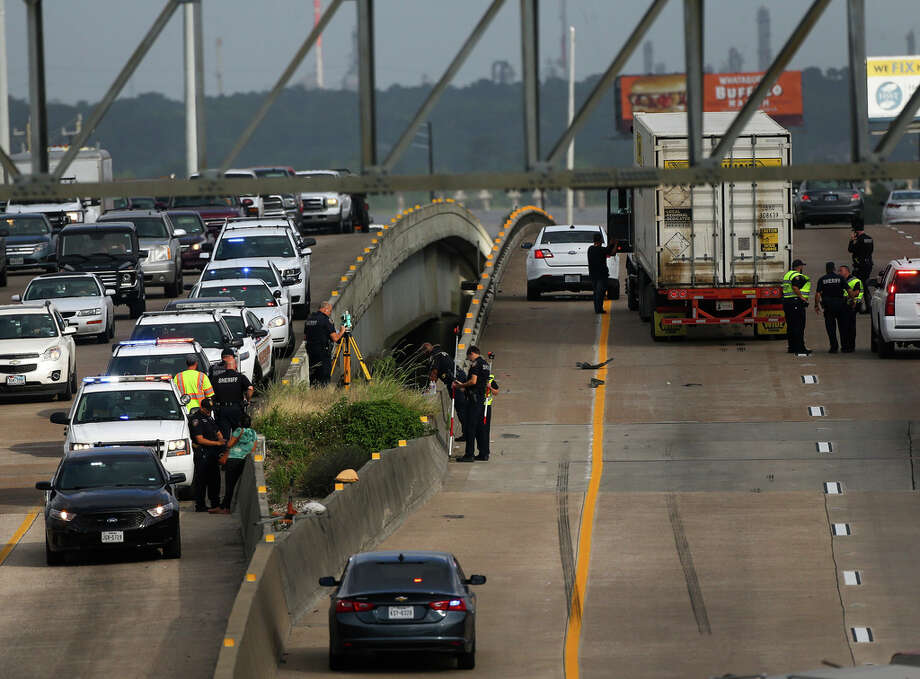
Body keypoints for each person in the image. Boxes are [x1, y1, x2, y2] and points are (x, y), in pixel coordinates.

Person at [212, 413, 258, 514]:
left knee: (230, 485)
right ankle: (223, 506)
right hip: (244, 460)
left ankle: (225, 508)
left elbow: (229, 444)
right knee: (235, 485)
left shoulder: (238, 430)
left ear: (240, 422)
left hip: (233, 460)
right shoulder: (254, 433)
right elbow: (253, 448)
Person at [422, 342, 468, 441]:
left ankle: (468, 434)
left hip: (454, 382)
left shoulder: (434, 357)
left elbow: (434, 373)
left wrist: (430, 388)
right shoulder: (442, 352)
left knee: (461, 409)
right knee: (464, 407)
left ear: (426, 351)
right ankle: (469, 432)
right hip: (461, 377)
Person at [453, 345, 490, 462]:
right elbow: (481, 382)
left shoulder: (475, 364)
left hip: (474, 401)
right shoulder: (486, 364)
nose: (470, 360)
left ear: (472, 354)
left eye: (469, 358)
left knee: (470, 427)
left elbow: (473, 381)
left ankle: (469, 454)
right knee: (481, 427)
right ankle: (483, 453)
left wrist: (460, 385)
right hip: (481, 399)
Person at [189, 398, 225, 512]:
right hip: (202, 453)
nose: (209, 411)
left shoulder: (209, 417)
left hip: (212, 453)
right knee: (201, 480)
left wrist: (222, 441)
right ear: (201, 408)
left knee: (215, 480)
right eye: (207, 409)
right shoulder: (196, 419)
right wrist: (217, 443)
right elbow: (200, 439)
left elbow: (217, 431)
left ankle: (215, 504)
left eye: (210, 409)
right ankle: (200, 505)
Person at [211, 349, 254, 439]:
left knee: (224, 436)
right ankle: (237, 451)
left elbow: (211, 394)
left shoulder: (217, 378)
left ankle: (225, 451)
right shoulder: (240, 377)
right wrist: (248, 399)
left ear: (226, 367)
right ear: (235, 366)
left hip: (222, 410)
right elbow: (250, 389)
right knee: (238, 434)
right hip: (237, 409)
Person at [304, 302, 345, 386]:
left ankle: (314, 391)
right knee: (324, 376)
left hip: (311, 352)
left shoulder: (309, 319)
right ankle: (323, 392)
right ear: (325, 309)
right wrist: (342, 331)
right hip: (323, 352)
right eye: (330, 311)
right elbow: (335, 338)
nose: (330, 313)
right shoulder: (326, 320)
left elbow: (305, 337)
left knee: (313, 375)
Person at [814, 261, 847, 354]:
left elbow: (818, 294)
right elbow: (849, 291)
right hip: (840, 305)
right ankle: (844, 347)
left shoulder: (822, 279)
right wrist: (853, 300)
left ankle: (834, 347)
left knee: (830, 328)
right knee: (842, 327)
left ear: (826, 269)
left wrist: (816, 305)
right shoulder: (840, 278)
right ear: (834, 269)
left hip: (828, 307)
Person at [782, 259, 811, 356]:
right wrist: (802, 298)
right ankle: (800, 348)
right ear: (799, 267)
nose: (802, 268)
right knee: (799, 326)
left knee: (790, 326)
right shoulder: (797, 276)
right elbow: (795, 287)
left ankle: (792, 347)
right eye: (802, 266)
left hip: (787, 302)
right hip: (795, 302)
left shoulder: (788, 274)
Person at [587, 233, 615, 314]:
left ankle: (597, 309)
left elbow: (606, 250)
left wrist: (610, 245)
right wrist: (614, 244)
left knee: (596, 293)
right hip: (601, 276)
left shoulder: (590, 249)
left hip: (593, 275)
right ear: (600, 241)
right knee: (600, 293)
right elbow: (611, 253)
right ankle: (599, 309)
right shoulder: (601, 250)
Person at [848, 224, 873, 312]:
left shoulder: (859, 240)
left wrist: (851, 240)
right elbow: (871, 251)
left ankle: (860, 306)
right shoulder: (869, 238)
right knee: (864, 285)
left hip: (860, 266)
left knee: (858, 286)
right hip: (868, 265)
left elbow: (851, 249)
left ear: (857, 232)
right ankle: (868, 306)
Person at [839, 264, 863, 353]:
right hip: (844, 305)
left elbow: (856, 293)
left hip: (852, 306)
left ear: (847, 271)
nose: (839, 272)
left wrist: (850, 298)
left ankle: (851, 346)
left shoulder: (855, 281)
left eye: (841, 270)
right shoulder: (841, 280)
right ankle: (845, 346)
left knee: (850, 327)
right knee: (844, 327)